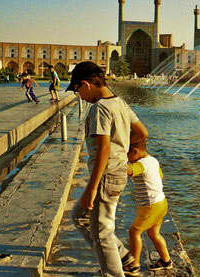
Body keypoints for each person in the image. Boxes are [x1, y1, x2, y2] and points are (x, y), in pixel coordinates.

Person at [67, 61, 148, 277]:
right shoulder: (119, 103)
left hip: (105, 177)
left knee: (102, 234)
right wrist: (123, 147)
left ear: (85, 84)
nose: (80, 96)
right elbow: (141, 132)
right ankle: (123, 256)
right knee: (79, 216)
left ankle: (114, 272)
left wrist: (91, 188)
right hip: (117, 172)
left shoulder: (100, 108)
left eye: (77, 91)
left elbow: (103, 149)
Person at [124, 139, 172, 275]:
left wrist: (117, 160)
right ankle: (166, 261)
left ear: (134, 151)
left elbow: (130, 171)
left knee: (134, 233)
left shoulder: (141, 164)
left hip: (150, 206)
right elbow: (160, 175)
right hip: (161, 203)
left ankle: (134, 265)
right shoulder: (153, 160)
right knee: (154, 233)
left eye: (127, 155)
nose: (127, 159)